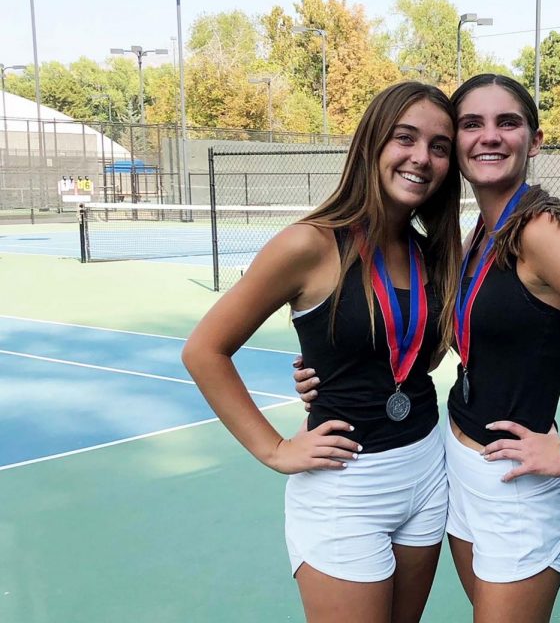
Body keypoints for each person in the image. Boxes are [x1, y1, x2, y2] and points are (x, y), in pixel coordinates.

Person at [295, 74, 560, 622]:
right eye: (472, 124)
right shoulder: (479, 235)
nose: (489, 137)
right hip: (458, 469)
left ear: (534, 141)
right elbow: (432, 345)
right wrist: (329, 372)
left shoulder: (542, 230)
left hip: (517, 483)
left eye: (507, 123)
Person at [182, 81, 462, 623]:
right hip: (344, 487)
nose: (421, 158)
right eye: (405, 138)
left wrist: (334, 368)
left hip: (428, 472)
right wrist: (274, 450)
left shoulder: (430, 251)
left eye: (439, 146)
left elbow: (417, 359)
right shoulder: (308, 243)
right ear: (373, 144)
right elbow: (205, 350)